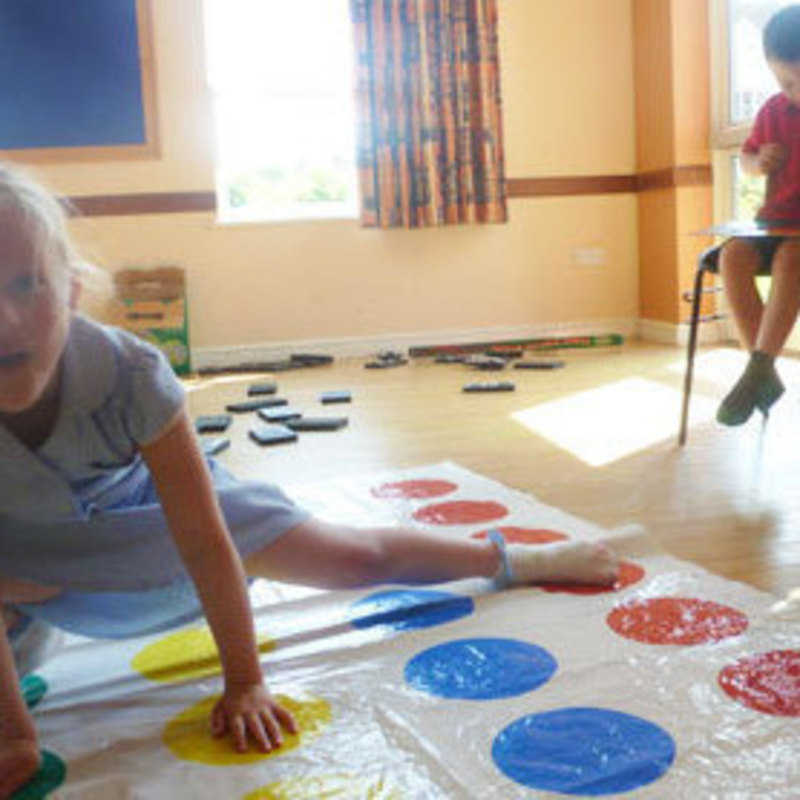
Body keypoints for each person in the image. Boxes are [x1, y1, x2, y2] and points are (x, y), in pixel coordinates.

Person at [0, 162, 619, 797]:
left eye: (28, 285)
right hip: (39, 572)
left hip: (157, 533)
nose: (7, 321)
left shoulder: (131, 373)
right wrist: (16, 738)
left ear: (73, 291)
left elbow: (207, 543)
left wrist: (244, 682)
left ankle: (516, 558)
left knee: (353, 556)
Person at [717, 4, 800, 426]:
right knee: (732, 255)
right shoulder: (772, 110)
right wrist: (757, 162)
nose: (796, 90)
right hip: (775, 220)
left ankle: (758, 369)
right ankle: (760, 368)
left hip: (798, 241)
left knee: (792, 257)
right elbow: (747, 157)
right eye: (786, 81)